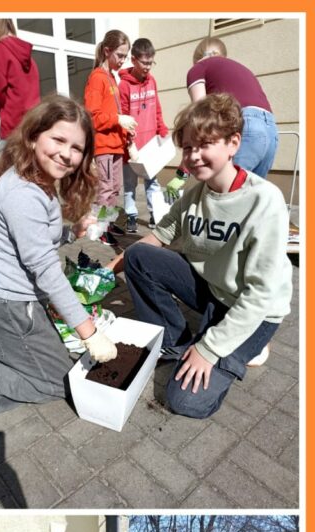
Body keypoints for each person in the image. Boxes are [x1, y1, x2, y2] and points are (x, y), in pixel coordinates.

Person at [0, 95, 118, 424]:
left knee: (28, 357)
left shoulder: (35, 179)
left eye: (76, 147)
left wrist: (70, 233)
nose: (67, 153)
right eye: (58, 139)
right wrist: (89, 333)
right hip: (5, 307)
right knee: (54, 382)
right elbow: (45, 270)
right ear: (33, 137)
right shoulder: (24, 194)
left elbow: (33, 240)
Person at [115, 94, 291, 418]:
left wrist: (209, 350)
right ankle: (175, 342)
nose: (193, 156)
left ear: (233, 143)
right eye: (187, 147)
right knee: (138, 254)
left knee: (185, 401)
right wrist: (107, 271)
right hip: (213, 290)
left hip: (254, 308)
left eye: (204, 144)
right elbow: (158, 237)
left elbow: (260, 294)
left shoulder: (264, 201)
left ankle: (250, 344)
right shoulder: (195, 193)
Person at [186, 36, 278, 178]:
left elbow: (200, 116)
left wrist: (185, 165)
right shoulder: (241, 68)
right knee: (252, 189)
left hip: (244, 124)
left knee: (226, 185)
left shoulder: (198, 68)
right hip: (271, 129)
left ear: (196, 57)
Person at [84, 29, 136, 244]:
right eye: (120, 55)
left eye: (125, 56)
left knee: (114, 188)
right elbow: (92, 116)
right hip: (104, 146)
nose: (123, 60)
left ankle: (108, 222)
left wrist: (126, 132)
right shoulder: (97, 78)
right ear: (107, 51)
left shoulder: (112, 78)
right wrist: (118, 119)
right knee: (105, 189)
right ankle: (100, 228)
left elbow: (113, 113)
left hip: (115, 145)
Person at [118, 37, 169, 233]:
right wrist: (127, 140)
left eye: (151, 62)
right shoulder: (124, 86)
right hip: (131, 147)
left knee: (152, 182)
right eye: (144, 62)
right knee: (130, 184)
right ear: (133, 59)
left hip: (150, 144)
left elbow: (157, 108)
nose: (148, 67)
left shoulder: (152, 81)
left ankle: (155, 214)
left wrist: (161, 128)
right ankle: (131, 215)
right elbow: (122, 114)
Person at [0, 19, 40, 152]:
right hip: (32, 126)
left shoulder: (0, 49)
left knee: (7, 164)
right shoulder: (28, 58)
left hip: (12, 128)